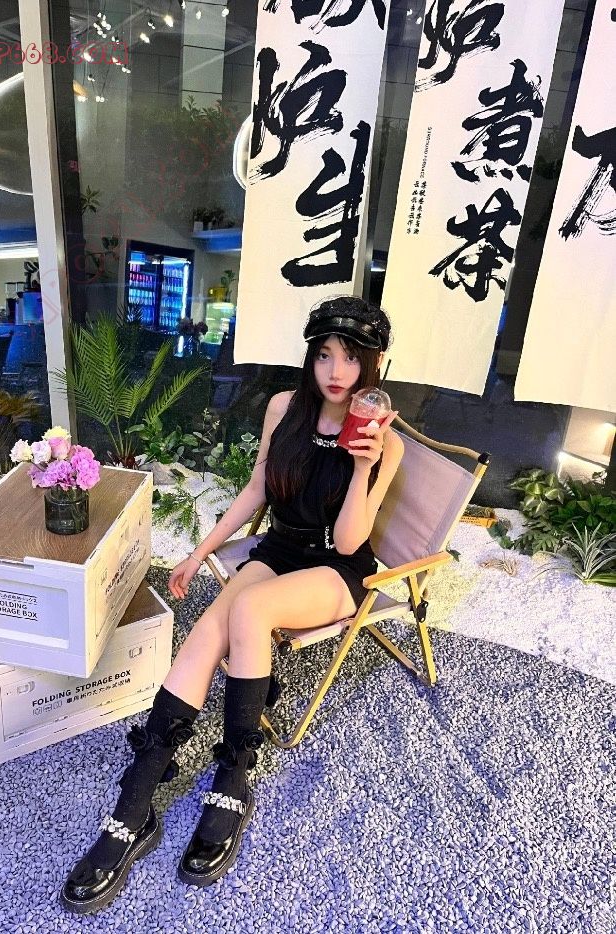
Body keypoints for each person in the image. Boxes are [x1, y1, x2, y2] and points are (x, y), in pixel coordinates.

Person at [60, 296, 404, 914]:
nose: (336, 371)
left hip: (336, 569)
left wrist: (363, 469)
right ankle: (134, 807)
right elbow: (256, 491)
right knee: (207, 629)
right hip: (279, 550)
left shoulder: (384, 441)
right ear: (310, 357)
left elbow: (353, 541)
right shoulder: (284, 408)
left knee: (246, 610)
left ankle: (234, 779)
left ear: (372, 365)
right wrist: (198, 553)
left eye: (352, 359)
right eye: (325, 355)